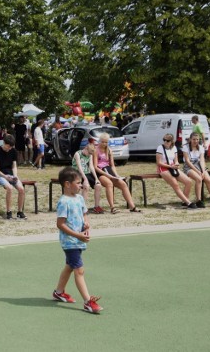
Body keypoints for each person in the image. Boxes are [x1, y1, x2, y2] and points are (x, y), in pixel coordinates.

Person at [52, 167, 103, 314]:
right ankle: (88, 302)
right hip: (69, 242)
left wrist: (86, 224)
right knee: (79, 270)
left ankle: (59, 292)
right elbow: (60, 224)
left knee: (70, 266)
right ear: (67, 184)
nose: (81, 185)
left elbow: (84, 215)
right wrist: (78, 235)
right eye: (78, 182)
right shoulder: (63, 202)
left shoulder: (80, 198)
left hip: (79, 240)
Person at [93, 132, 139, 213]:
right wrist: (107, 175)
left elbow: (112, 165)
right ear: (99, 141)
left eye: (106, 142)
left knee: (123, 184)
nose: (104, 144)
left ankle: (132, 206)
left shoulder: (109, 150)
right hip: (100, 171)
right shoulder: (96, 150)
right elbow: (95, 167)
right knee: (109, 184)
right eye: (103, 142)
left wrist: (116, 175)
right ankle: (112, 207)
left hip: (108, 169)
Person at [183, 132, 210, 207]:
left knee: (208, 179)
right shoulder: (186, 147)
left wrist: (203, 171)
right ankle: (199, 200)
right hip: (189, 166)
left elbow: (202, 160)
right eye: (194, 139)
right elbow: (188, 161)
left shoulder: (201, 147)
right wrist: (198, 172)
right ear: (190, 140)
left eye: (197, 139)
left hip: (199, 165)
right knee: (199, 179)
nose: (195, 141)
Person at [156, 133, 196, 209]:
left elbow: (176, 160)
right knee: (175, 184)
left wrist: (176, 164)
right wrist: (170, 166)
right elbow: (159, 162)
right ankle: (188, 202)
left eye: (167, 141)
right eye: (164, 140)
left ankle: (185, 201)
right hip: (163, 168)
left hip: (173, 167)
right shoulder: (160, 148)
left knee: (188, 182)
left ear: (171, 141)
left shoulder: (174, 148)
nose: (165, 142)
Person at [0, 134, 27, 219]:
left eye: (11, 147)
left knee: (21, 189)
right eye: (8, 146)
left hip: (11, 174)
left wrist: (15, 175)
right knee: (9, 188)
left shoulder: (13, 151)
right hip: (0, 175)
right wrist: (5, 177)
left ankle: (20, 212)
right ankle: (9, 212)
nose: (10, 148)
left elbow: (14, 166)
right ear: (4, 143)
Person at [72, 143, 104, 214]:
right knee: (86, 186)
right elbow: (79, 168)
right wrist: (85, 179)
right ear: (86, 148)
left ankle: (96, 206)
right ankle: (83, 207)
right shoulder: (78, 154)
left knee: (98, 185)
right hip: (77, 173)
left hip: (86, 173)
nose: (89, 154)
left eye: (91, 153)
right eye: (89, 153)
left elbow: (91, 167)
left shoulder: (90, 155)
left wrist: (96, 178)